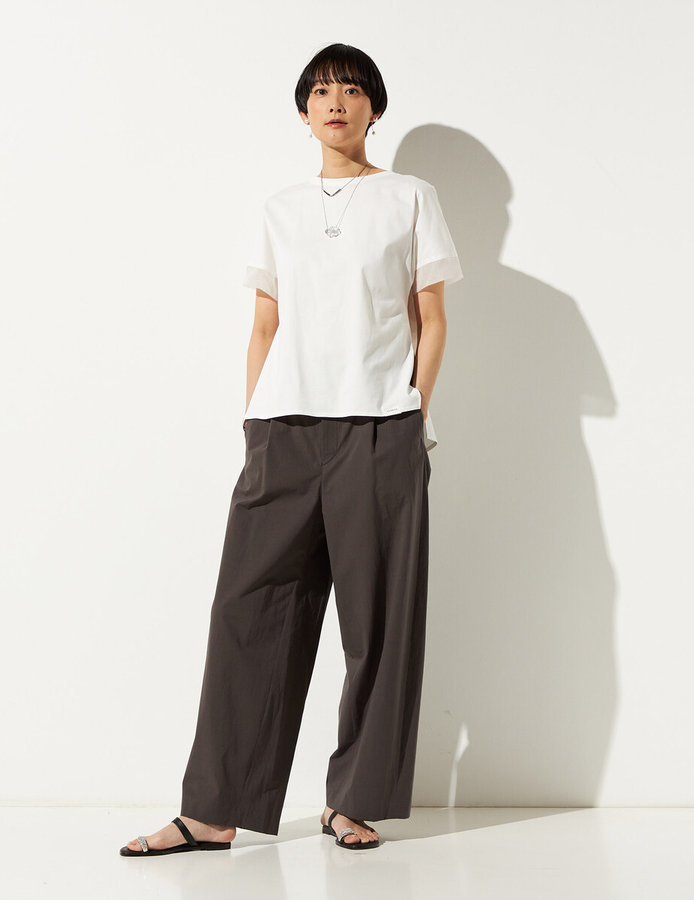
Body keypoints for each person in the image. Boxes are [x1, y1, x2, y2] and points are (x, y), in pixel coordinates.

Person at [120, 41, 463, 857]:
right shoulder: (279, 208)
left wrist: (412, 414)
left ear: (375, 107)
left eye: (351, 89)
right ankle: (213, 809)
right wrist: (253, 425)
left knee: (378, 625)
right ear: (303, 111)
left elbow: (432, 318)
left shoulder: (411, 197)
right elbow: (264, 326)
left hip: (379, 428)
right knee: (248, 611)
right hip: (282, 430)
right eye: (320, 91)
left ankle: (354, 801)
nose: (334, 102)